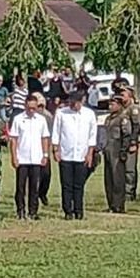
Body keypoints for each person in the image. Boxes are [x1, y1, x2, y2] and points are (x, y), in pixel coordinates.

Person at [50, 92, 95, 220]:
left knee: (79, 185)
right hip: (65, 154)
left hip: (81, 154)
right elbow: (56, 132)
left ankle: (78, 210)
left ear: (82, 101)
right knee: (66, 184)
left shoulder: (89, 114)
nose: (73, 106)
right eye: (72, 103)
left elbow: (92, 135)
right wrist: (55, 150)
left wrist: (90, 153)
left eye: (76, 103)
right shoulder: (61, 113)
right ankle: (68, 210)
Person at [9, 94, 50, 220]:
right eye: (29, 108)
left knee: (34, 187)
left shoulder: (41, 120)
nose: (32, 110)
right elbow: (14, 139)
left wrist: (45, 154)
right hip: (22, 158)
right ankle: (20, 210)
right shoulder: (18, 119)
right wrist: (14, 156)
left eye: (34, 108)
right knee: (20, 187)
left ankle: (33, 211)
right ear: (25, 106)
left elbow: (44, 138)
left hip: (36, 158)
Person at [102, 97, 132, 214]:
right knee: (108, 178)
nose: (110, 107)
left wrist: (124, 150)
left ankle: (119, 205)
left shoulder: (123, 118)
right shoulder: (108, 118)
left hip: (117, 150)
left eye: (113, 104)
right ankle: (111, 204)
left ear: (119, 105)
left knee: (117, 178)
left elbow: (127, 135)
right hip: (108, 150)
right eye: (110, 105)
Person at [121, 86, 140, 201]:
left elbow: (136, 126)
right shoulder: (121, 107)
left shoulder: (133, 109)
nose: (121, 97)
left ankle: (129, 193)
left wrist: (133, 142)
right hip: (122, 143)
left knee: (130, 169)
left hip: (130, 142)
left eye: (123, 95)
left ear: (130, 96)